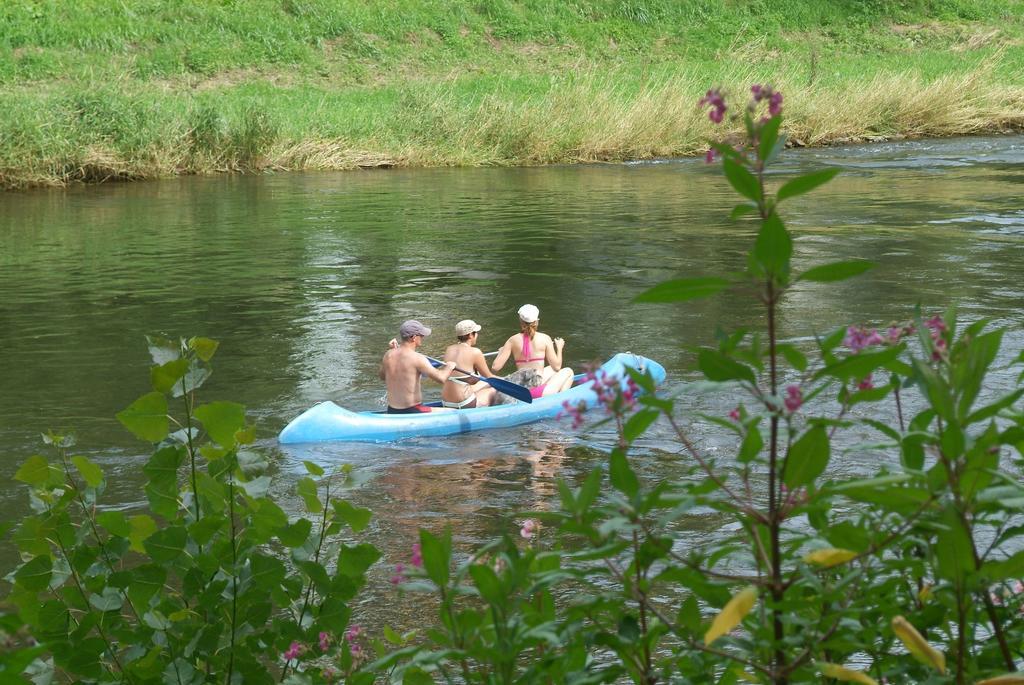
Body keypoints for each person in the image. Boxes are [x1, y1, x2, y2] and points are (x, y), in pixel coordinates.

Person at [491, 304, 574, 398]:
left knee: (550, 369)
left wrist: (502, 351)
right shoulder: (545, 338)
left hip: (521, 390)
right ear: (536, 321)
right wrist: (559, 348)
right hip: (539, 392)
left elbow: (495, 367)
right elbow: (557, 367)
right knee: (568, 371)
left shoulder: (512, 340)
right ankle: (561, 400)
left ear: (520, 321)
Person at [379, 320, 455, 413]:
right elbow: (441, 378)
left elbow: (382, 377)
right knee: (452, 411)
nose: (423, 337)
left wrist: (393, 350)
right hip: (412, 410)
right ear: (414, 337)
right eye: (421, 335)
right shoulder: (418, 358)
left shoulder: (388, 354)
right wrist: (450, 367)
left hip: (392, 410)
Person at [440, 320, 497, 409]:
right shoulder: (475, 352)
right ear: (471, 335)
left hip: (446, 401)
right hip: (463, 404)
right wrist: (508, 379)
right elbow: (489, 377)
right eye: (476, 333)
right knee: (493, 390)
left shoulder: (449, 349)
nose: (477, 335)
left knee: (484, 383)